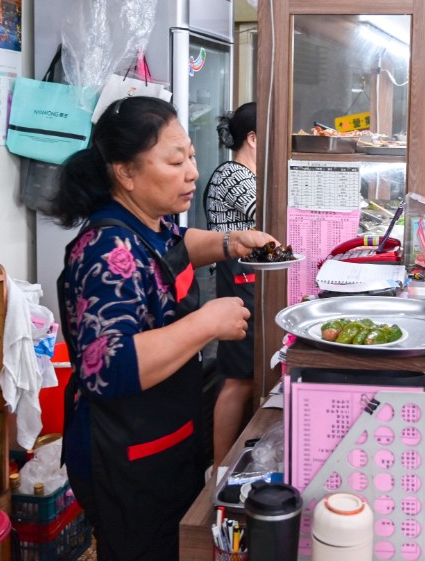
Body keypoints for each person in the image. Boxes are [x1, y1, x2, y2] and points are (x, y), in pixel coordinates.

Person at [50, 96, 277, 561]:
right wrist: (205, 324)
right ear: (125, 172)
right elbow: (105, 367)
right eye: (176, 161)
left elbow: (175, 248)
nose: (193, 171)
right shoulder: (103, 249)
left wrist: (232, 242)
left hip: (166, 432)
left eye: (191, 156)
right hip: (123, 450)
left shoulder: (152, 223)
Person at [204, 102, 259, 470]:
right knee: (238, 378)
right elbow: (267, 215)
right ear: (253, 139)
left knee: (251, 375)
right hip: (236, 280)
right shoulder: (233, 175)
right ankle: (220, 469)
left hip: (250, 281)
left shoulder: (249, 174)